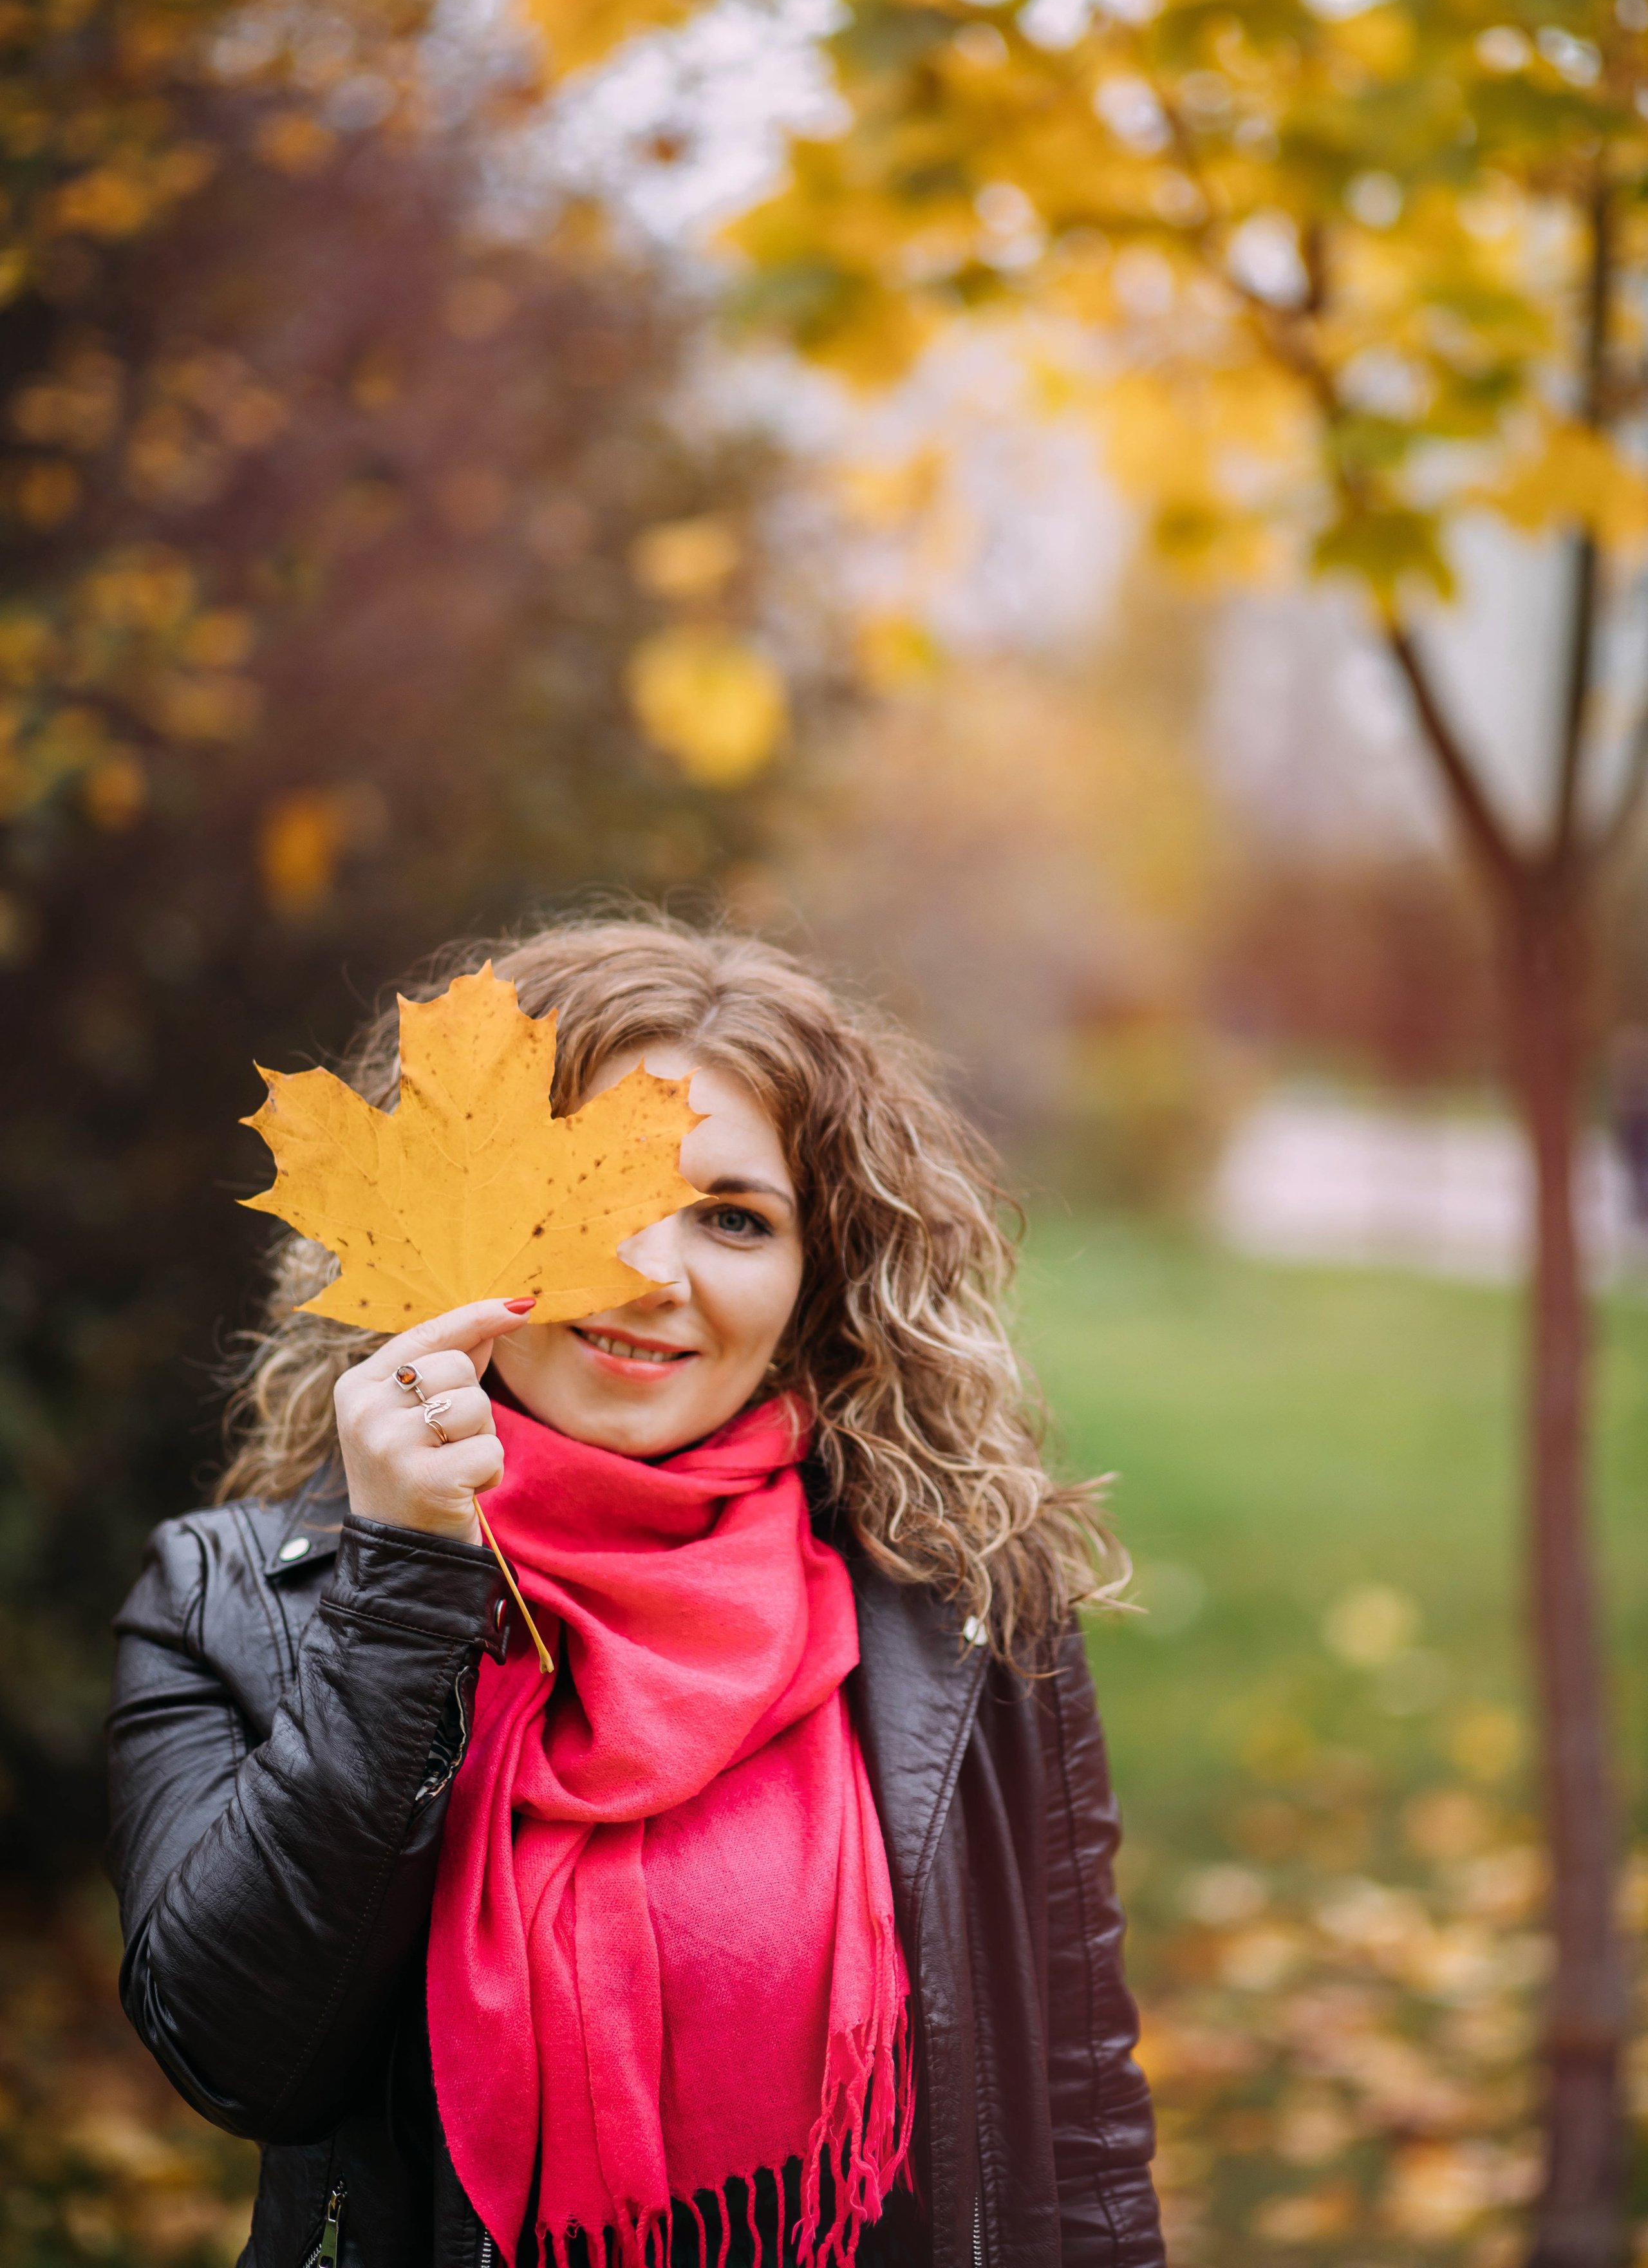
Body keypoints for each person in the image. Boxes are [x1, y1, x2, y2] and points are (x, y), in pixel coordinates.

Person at [106, 917, 1164, 2268]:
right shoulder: (225, 1599)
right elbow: (241, 2054)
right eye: (590, 1205)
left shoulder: (960, 1600)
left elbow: (1077, 2125)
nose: (655, 1275)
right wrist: (406, 1582)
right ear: (451, 1227)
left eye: (733, 1216)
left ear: (815, 1275)